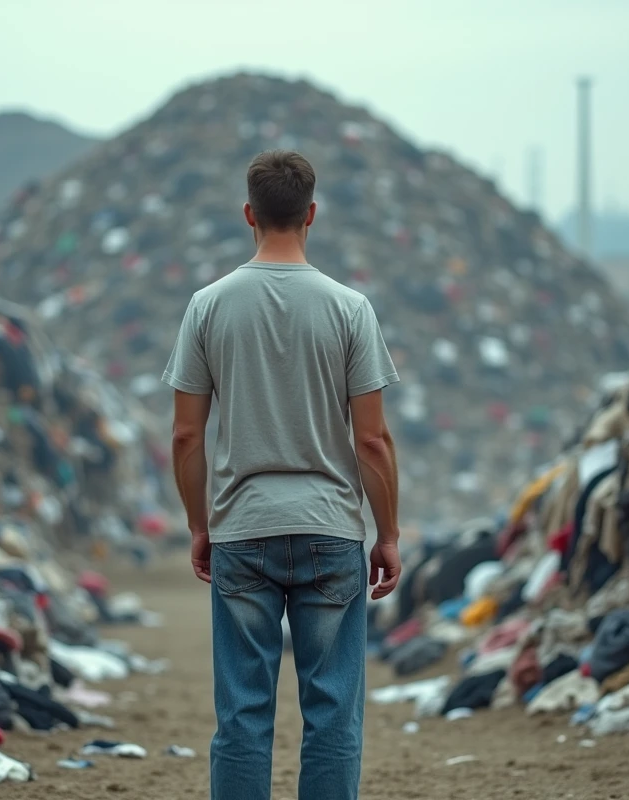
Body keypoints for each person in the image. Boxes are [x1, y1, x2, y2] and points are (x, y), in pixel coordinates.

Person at [163, 150, 402, 800]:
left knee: (242, 714)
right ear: (311, 215)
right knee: (332, 714)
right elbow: (373, 441)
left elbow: (187, 434)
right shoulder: (350, 309)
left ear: (249, 214)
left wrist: (198, 522)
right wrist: (387, 534)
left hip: (242, 529)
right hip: (330, 532)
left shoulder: (207, 307)